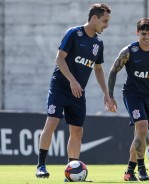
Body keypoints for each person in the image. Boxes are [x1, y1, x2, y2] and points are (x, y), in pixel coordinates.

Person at [36, 3, 113, 179]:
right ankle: (41, 165)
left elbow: (99, 69)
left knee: (77, 130)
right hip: (60, 87)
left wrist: (106, 94)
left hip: (78, 92)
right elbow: (59, 59)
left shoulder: (98, 43)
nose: (107, 25)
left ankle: (72, 171)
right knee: (52, 121)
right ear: (94, 18)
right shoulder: (74, 33)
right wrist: (72, 81)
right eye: (105, 21)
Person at [107, 18, 149, 181]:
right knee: (142, 127)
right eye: (143, 34)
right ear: (137, 33)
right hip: (132, 95)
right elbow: (113, 71)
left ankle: (129, 172)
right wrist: (110, 96)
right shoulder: (129, 51)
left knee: (140, 134)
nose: (147, 37)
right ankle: (142, 169)